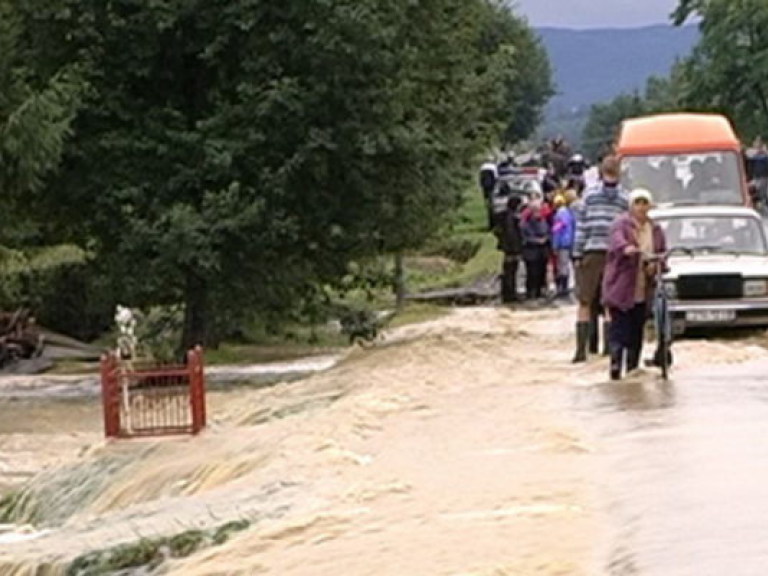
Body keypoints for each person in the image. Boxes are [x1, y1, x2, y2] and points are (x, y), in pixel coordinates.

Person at [602, 188, 667, 380]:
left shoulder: (655, 229)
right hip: (621, 286)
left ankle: (632, 369)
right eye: (637, 203)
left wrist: (657, 265)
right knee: (619, 328)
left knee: (636, 329)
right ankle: (615, 367)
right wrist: (627, 248)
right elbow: (616, 242)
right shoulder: (621, 224)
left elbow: (662, 252)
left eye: (644, 203)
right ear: (631, 206)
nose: (641, 207)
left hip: (643, 287)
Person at [571, 155, 630, 363]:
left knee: (585, 302)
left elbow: (581, 227)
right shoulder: (626, 198)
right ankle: (609, 349)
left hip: (591, 252)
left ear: (600, 171)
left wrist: (577, 253)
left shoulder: (589, 195)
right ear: (620, 172)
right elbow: (628, 229)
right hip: (615, 254)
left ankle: (581, 352)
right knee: (610, 303)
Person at [521, 199, 550, 300]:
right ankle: (531, 292)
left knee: (542, 272)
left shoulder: (543, 221)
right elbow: (524, 238)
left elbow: (547, 231)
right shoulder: (526, 223)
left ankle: (539, 290)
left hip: (542, 252)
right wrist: (537, 241)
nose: (538, 213)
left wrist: (546, 238)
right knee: (532, 273)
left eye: (539, 210)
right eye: (535, 210)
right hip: (531, 252)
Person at [498, 195, 524, 303]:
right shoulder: (511, 218)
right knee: (511, 271)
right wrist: (516, 248)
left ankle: (508, 292)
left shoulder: (504, 216)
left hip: (507, 247)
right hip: (511, 248)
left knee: (509, 270)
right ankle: (510, 293)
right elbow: (511, 234)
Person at [552, 190, 577, 298]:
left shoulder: (559, 214)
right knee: (567, 265)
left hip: (562, 243)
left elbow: (557, 230)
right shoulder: (569, 213)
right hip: (570, 241)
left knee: (562, 266)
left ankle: (563, 288)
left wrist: (555, 245)